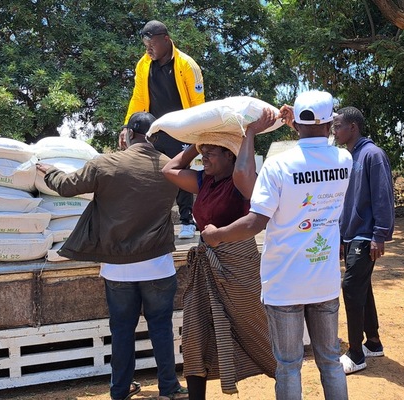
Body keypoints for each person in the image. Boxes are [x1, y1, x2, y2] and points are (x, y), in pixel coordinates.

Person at [201, 91, 350, 400]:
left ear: (295, 121)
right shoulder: (345, 160)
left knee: (288, 365)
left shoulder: (279, 166)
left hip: (285, 281)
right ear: (330, 124)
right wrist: (298, 121)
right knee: (330, 361)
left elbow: (256, 222)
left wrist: (216, 236)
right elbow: (319, 142)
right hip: (323, 278)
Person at [38, 112, 187, 400]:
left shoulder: (105, 164)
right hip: (158, 266)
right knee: (161, 329)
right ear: (153, 136)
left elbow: (67, 187)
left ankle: (120, 390)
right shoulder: (170, 167)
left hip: (118, 270)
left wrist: (50, 171)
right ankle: (168, 386)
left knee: (121, 331)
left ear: (128, 134)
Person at [160, 109, 278, 399]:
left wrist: (248, 134)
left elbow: (242, 172)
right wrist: (196, 143)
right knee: (195, 330)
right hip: (206, 264)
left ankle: (285, 379)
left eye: (212, 153)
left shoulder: (242, 182)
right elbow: (169, 171)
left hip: (238, 263)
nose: (205, 158)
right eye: (204, 153)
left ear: (230, 155)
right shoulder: (204, 181)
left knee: (255, 327)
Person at [121, 20, 205, 240]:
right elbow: (138, 97)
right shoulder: (143, 65)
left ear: (165, 40)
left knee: (181, 172)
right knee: (152, 174)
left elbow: (198, 102)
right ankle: (155, 222)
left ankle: (187, 220)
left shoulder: (186, 65)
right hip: (154, 129)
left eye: (152, 44)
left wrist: (198, 133)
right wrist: (127, 125)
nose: (148, 49)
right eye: (145, 45)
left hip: (182, 129)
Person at [331, 107, 395, 374]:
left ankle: (356, 353)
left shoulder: (372, 154)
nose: (334, 131)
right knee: (362, 286)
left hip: (365, 235)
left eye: (338, 126)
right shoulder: (349, 156)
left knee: (352, 288)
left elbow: (383, 197)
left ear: (353, 127)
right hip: (350, 234)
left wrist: (379, 235)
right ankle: (374, 342)